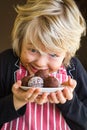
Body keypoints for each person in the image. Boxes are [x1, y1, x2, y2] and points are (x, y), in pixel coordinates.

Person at [0, 0, 87, 129]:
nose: (40, 63)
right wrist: (16, 101)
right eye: (33, 50)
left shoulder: (74, 70)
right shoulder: (6, 63)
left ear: (67, 53)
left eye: (53, 55)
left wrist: (69, 102)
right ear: (20, 41)